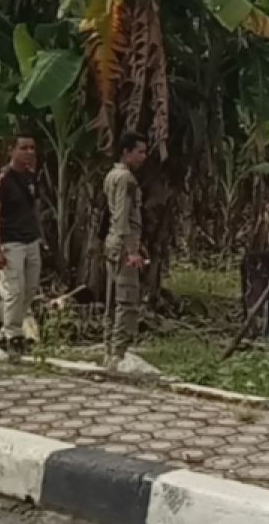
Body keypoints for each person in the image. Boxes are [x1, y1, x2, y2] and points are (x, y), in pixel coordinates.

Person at [0, 133, 42, 354]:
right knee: (14, 290)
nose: (29, 152)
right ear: (12, 151)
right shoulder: (1, 179)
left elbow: (34, 209)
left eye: (32, 148)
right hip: (11, 242)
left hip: (30, 239)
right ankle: (12, 334)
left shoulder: (30, 177)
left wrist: (40, 235)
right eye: (24, 148)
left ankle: (11, 330)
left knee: (29, 288)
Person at [103, 132, 149, 368]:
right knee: (126, 300)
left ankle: (108, 349)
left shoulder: (112, 175)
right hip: (122, 245)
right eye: (139, 151)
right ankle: (118, 353)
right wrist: (132, 251)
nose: (144, 156)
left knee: (113, 300)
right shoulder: (126, 180)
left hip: (113, 243)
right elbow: (123, 220)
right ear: (126, 152)